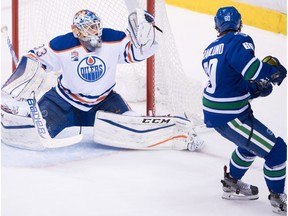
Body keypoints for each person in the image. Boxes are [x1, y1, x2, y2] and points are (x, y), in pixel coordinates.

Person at [1, 9, 204, 151]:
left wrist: (145, 36)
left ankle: (179, 135)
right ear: (76, 31)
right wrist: (32, 71)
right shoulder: (62, 43)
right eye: (89, 28)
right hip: (62, 102)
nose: (95, 32)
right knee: (33, 132)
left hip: (105, 101)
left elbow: (137, 53)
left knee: (132, 125)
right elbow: (34, 57)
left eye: (96, 26)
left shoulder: (112, 38)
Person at [201, 6, 287, 214]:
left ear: (217, 26)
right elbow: (252, 70)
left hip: (215, 112)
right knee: (277, 151)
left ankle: (231, 182)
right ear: (239, 23)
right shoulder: (240, 39)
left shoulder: (209, 50)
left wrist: (254, 89)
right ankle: (278, 199)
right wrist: (273, 72)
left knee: (249, 147)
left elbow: (227, 82)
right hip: (232, 116)